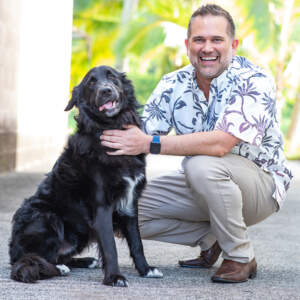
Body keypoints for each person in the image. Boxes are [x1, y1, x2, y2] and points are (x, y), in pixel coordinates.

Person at [100, 4, 293, 283]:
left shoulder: (254, 79)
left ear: (233, 44)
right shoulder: (172, 83)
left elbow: (220, 145)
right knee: (120, 211)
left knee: (201, 164)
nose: (207, 48)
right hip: (203, 184)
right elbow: (136, 134)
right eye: (199, 40)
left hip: (260, 185)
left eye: (217, 40)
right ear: (188, 44)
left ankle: (240, 256)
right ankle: (213, 237)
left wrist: (149, 143)